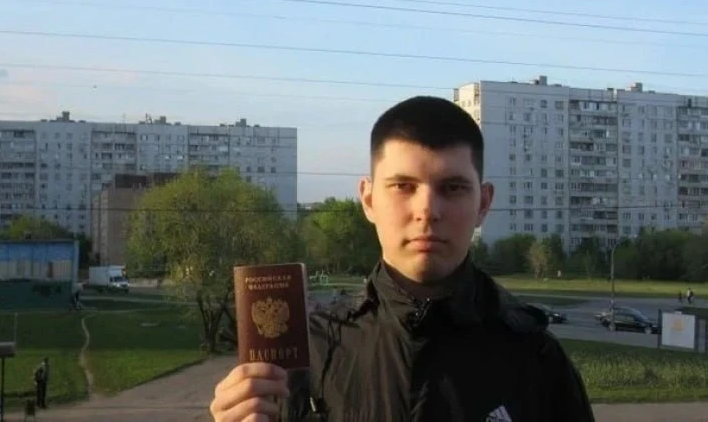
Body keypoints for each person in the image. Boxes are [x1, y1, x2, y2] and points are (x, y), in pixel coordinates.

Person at [209, 96, 594, 421]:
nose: (427, 211)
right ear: (368, 199)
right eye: (403, 186)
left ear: (484, 203)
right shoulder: (307, 354)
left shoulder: (537, 360)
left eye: (453, 188)